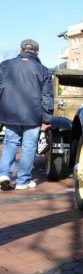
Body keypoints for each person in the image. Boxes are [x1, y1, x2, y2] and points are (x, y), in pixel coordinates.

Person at [0, 40, 53, 190]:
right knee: (29, 147)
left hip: (10, 113)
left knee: (10, 143)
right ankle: (23, 181)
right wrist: (47, 118)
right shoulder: (43, 70)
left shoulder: (5, 65)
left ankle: (4, 174)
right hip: (33, 115)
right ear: (37, 52)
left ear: (20, 49)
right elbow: (47, 96)